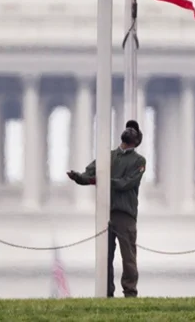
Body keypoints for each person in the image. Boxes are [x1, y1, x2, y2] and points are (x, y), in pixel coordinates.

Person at [67, 119, 147, 298]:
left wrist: (102, 181)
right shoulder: (107, 156)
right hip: (105, 212)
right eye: (128, 128)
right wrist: (78, 177)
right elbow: (90, 173)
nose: (130, 131)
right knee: (105, 257)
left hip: (124, 214)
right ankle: (106, 293)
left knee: (128, 258)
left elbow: (127, 183)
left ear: (137, 140)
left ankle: (130, 292)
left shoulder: (139, 161)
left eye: (134, 130)